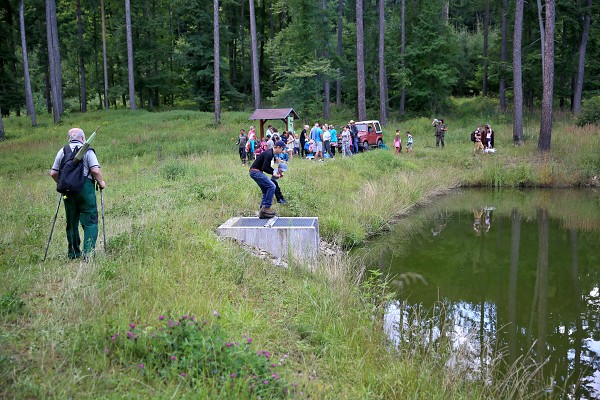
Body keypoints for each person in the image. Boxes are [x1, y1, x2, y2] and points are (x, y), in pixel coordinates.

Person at [49, 128, 106, 259]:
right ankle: (88, 253)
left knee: (72, 222)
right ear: (82, 138)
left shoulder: (62, 151)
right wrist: (101, 183)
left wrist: (62, 184)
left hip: (67, 192)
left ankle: (73, 253)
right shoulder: (87, 150)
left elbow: (53, 173)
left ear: (69, 138)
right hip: (85, 190)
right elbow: (95, 171)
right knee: (90, 220)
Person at [249, 140, 286, 219]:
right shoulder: (269, 154)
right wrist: (274, 173)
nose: (282, 151)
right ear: (278, 147)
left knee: (266, 190)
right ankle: (266, 208)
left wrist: (277, 172)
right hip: (255, 172)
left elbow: (267, 167)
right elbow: (265, 168)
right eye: (282, 149)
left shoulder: (270, 153)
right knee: (272, 186)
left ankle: (262, 211)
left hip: (255, 172)